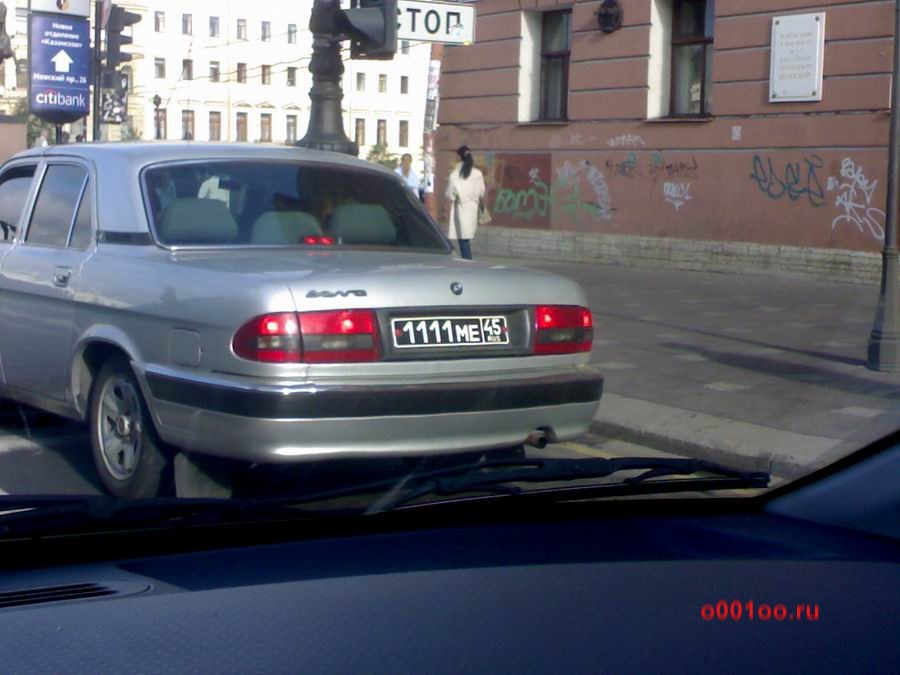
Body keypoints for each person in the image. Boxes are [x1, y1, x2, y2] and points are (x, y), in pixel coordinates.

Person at [445, 145, 485, 260]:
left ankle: (467, 261)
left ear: (458, 157)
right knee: (465, 237)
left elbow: (450, 194)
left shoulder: (454, 175)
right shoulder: (478, 173)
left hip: (461, 208)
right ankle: (467, 260)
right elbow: (482, 192)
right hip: (473, 208)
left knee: (463, 237)